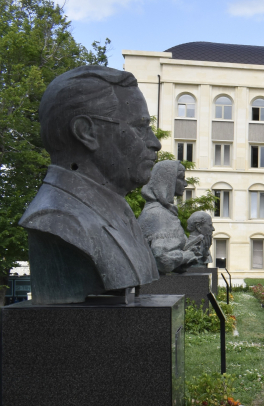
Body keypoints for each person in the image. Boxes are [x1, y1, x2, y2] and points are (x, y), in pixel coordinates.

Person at [19, 66, 161, 304]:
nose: (154, 143)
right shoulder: (57, 219)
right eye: (140, 127)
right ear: (86, 132)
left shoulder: (118, 211)